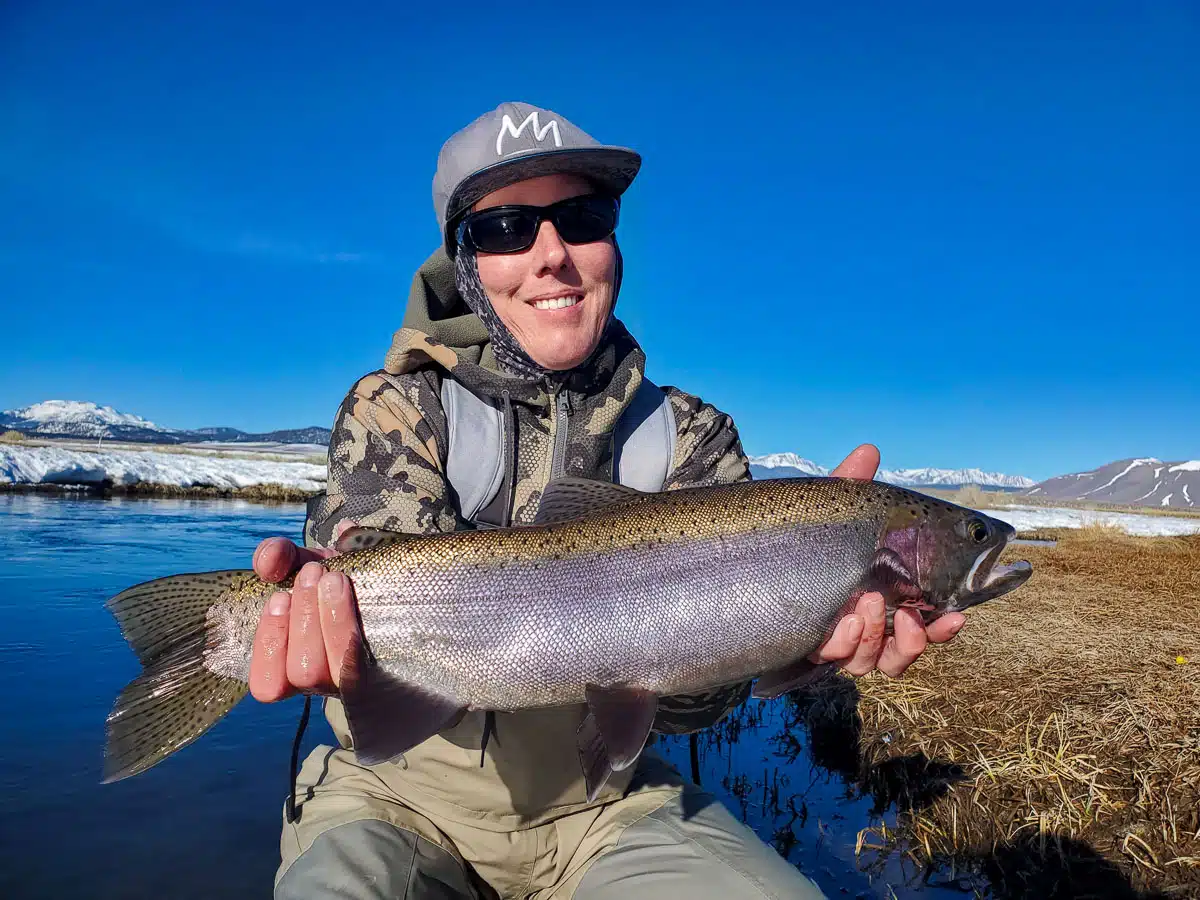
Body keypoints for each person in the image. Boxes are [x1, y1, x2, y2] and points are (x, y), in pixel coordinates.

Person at [246, 102, 966, 899]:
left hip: (608, 805)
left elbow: (694, 710)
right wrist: (312, 627)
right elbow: (385, 601)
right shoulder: (397, 408)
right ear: (465, 262)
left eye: (582, 218)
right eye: (507, 229)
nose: (552, 253)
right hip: (396, 796)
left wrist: (794, 629)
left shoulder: (693, 436)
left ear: (614, 244)